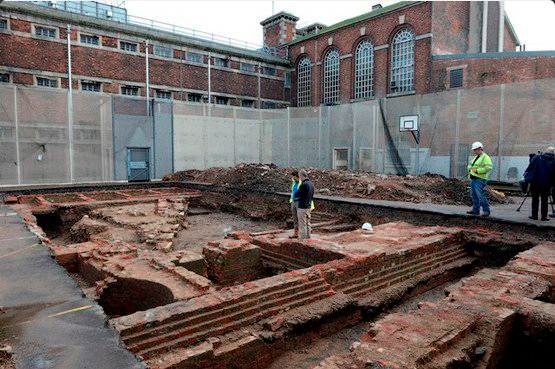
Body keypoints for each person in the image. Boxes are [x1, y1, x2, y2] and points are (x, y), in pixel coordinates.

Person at [524, 147, 555, 221]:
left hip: (535, 182)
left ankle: (534, 215)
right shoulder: (553, 161)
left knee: (535, 199)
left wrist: (528, 177)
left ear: (545, 151)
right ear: (553, 153)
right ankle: (544, 217)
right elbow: (554, 174)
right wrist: (552, 184)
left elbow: (530, 167)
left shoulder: (537, 157)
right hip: (546, 183)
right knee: (544, 200)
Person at [466, 141, 493, 217]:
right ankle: (475, 210)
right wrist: (470, 169)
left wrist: (478, 171)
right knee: (474, 195)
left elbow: (489, 167)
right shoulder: (476, 157)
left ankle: (486, 210)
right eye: (474, 150)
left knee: (480, 195)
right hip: (474, 179)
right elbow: (469, 165)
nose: (475, 151)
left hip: (480, 179)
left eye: (476, 150)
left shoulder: (485, 157)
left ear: (480, 149)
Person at [294, 170, 315, 240]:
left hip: (302, 207)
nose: (299, 177)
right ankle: (308, 238)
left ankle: (302, 240)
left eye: (299, 176)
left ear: (302, 176)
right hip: (308, 206)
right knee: (308, 224)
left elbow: (296, 194)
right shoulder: (311, 184)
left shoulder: (304, 184)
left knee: (302, 225)